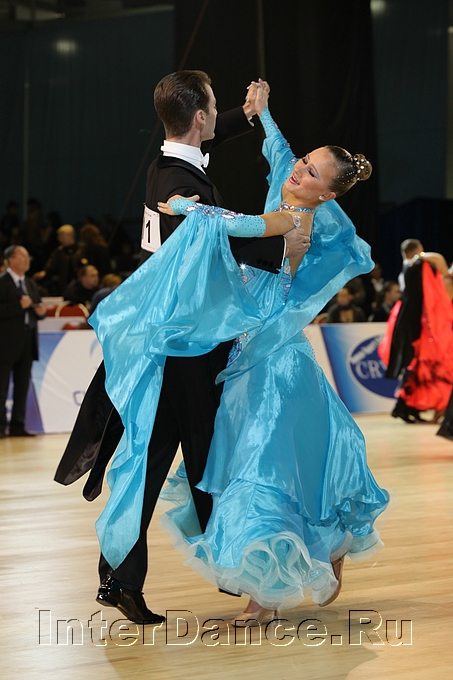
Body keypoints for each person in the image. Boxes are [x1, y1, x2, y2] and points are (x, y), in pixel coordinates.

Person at [90, 83, 388, 621]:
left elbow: (244, 226)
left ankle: (264, 594)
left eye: (311, 172)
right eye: (304, 161)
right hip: (237, 353)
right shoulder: (287, 184)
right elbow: (278, 151)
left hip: (271, 359)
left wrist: (191, 208)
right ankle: (284, 566)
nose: (298, 169)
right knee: (239, 467)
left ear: (327, 195)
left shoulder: (295, 221)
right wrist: (262, 115)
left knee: (260, 470)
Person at [55, 71, 308, 626]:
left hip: (168, 345)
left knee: (152, 463)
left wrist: (249, 114)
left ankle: (123, 579)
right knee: (213, 459)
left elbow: (203, 149)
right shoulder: (178, 184)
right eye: (213, 107)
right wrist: (281, 241)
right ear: (198, 116)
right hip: (188, 348)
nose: (216, 114)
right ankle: (249, 573)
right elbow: (215, 239)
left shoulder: (168, 165)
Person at [380, 246, 453, 423]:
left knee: (422, 366)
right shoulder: (414, 266)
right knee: (420, 365)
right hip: (430, 326)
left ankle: (413, 407)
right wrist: (421, 256)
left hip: (434, 325)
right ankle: (411, 407)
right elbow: (438, 261)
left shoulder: (412, 268)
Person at [0, 246, 47, 438]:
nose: (27, 260)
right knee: (2, 386)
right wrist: (17, 306)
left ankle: (18, 425)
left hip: (27, 341)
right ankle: (0, 426)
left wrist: (41, 312)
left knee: (22, 386)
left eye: (28, 257)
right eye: (23, 257)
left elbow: (36, 306)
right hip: (5, 342)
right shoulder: (2, 282)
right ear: (11, 260)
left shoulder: (30, 283)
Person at [33, 224, 78, 296]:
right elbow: (50, 264)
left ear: (71, 236)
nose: (60, 239)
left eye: (63, 237)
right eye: (59, 237)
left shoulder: (80, 249)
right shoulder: (58, 252)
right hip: (63, 284)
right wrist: (44, 272)